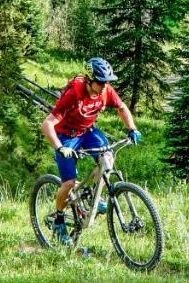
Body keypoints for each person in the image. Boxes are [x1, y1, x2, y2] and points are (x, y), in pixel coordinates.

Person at [40, 57, 142, 244]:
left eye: (107, 81)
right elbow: (47, 124)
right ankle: (59, 220)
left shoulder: (105, 91)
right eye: (101, 81)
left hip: (87, 131)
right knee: (69, 183)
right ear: (89, 80)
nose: (105, 86)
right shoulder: (73, 94)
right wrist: (60, 147)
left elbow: (121, 107)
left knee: (107, 159)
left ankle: (94, 197)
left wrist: (132, 128)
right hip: (65, 136)